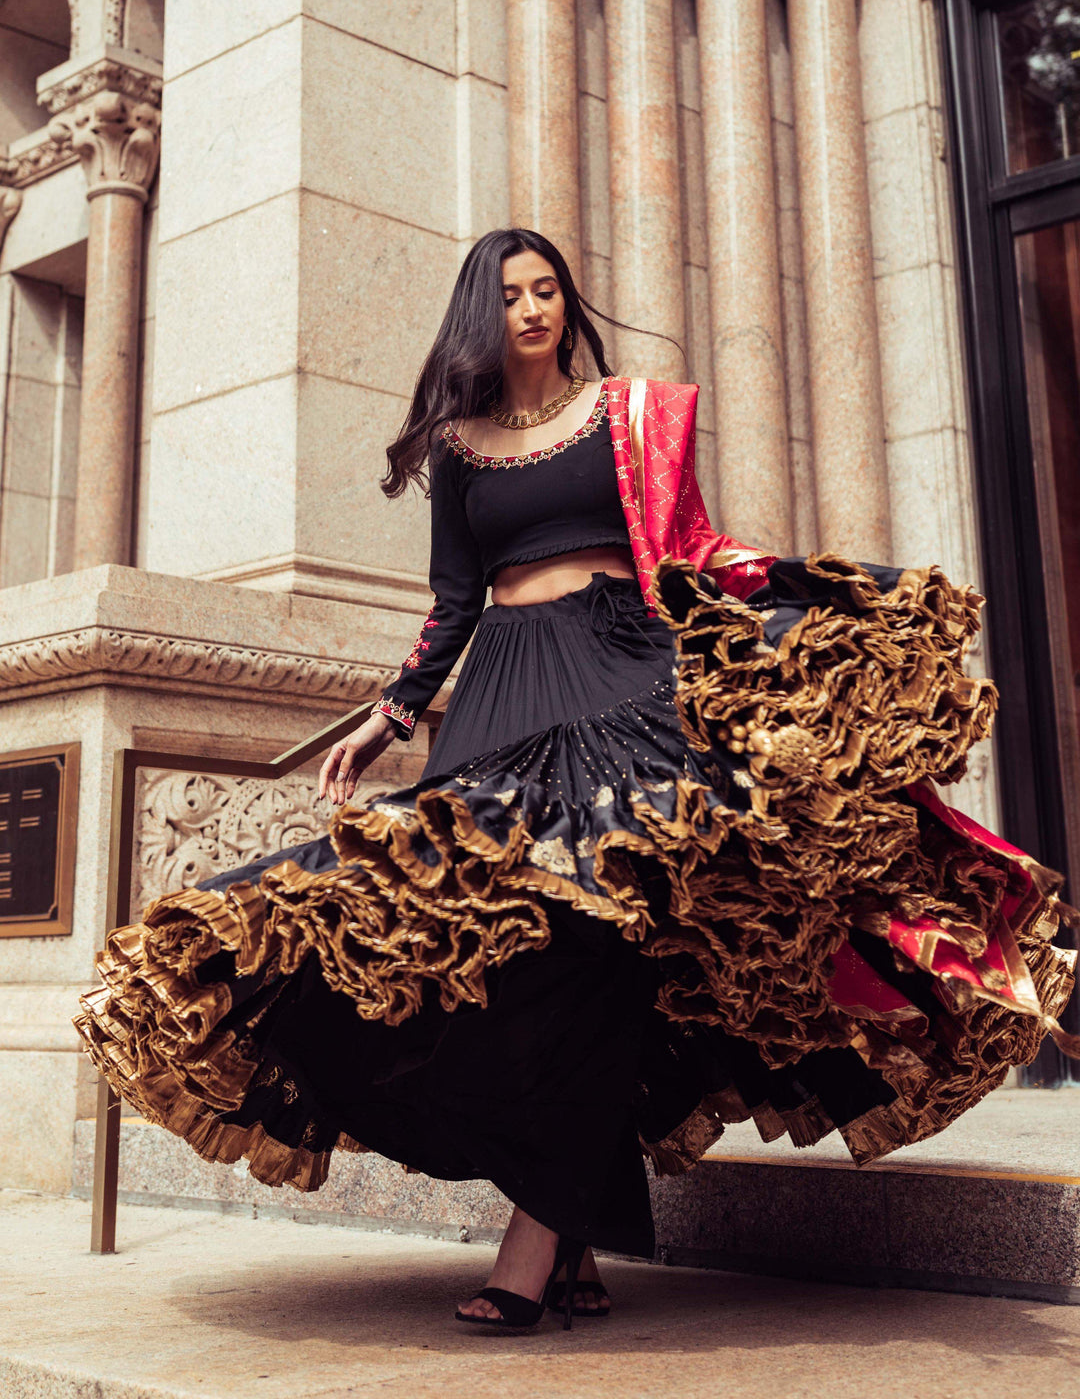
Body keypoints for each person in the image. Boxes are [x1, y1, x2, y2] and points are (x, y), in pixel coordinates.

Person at [77, 228, 1077, 1334]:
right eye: (510, 294)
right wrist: (386, 719)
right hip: (504, 691)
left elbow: (687, 551)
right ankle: (577, 1240)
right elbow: (452, 606)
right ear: (481, 314)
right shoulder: (456, 446)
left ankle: (535, 1249)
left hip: (621, 682)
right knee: (505, 965)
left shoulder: (627, 415)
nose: (533, 308)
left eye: (547, 288)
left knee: (599, 949)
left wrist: (787, 629)